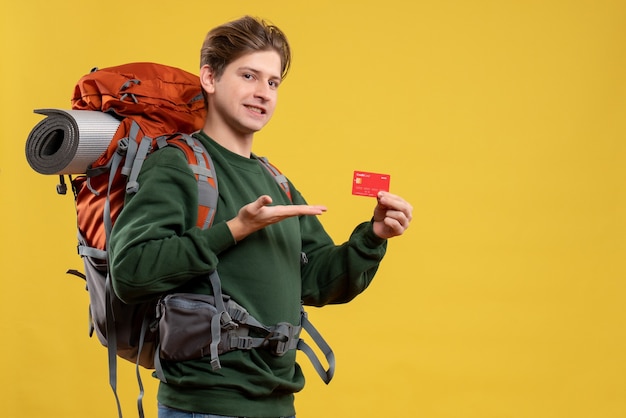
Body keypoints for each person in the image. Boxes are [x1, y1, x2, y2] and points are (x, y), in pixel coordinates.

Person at [109, 15, 413, 418]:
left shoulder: (276, 180)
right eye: (249, 76)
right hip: (206, 407)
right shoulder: (176, 165)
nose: (263, 93)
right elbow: (129, 272)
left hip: (277, 405)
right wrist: (235, 229)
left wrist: (372, 237)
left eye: (272, 83)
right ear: (210, 78)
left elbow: (320, 282)